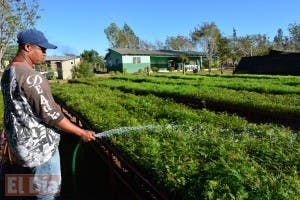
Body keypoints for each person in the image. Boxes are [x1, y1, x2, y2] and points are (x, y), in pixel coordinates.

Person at [0, 28, 96, 199]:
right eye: (42, 49)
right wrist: (81, 132)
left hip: (19, 147)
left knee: (26, 191)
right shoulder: (32, 77)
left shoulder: (8, 73)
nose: (45, 53)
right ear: (28, 47)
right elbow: (51, 115)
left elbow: (12, 108)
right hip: (40, 150)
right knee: (47, 195)